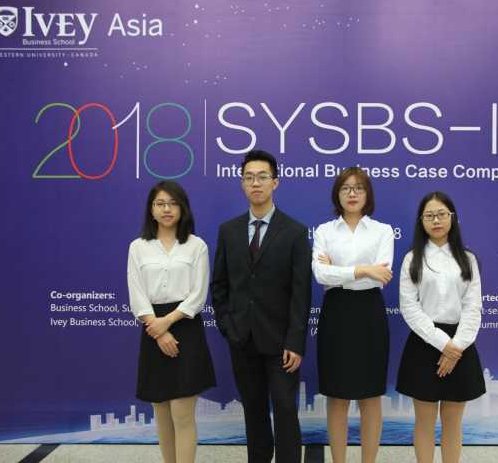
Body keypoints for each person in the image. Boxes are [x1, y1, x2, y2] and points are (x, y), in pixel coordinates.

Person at [210, 150, 312, 463]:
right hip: (242, 339)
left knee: (285, 411)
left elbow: (301, 292)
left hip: (282, 344)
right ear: (242, 184)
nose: (256, 183)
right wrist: (228, 327)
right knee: (253, 412)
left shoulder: (294, 231)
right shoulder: (228, 231)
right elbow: (220, 286)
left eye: (262, 177)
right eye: (249, 178)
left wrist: (295, 341)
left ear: (275, 182)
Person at [127, 180, 216, 463]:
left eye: (173, 203)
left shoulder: (196, 245)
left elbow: (198, 295)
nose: (167, 209)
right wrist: (158, 328)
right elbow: (137, 294)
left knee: (182, 412)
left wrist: (167, 322)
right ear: (151, 210)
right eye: (160, 204)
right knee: (162, 412)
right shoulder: (138, 247)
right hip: (152, 328)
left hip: (185, 327)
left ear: (182, 208)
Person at [396, 191, 485, 463]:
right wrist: (443, 344)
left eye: (441, 214)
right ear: (421, 221)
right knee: (424, 421)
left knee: (453, 422)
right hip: (424, 343)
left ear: (452, 218)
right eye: (429, 216)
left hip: (461, 344)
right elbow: (409, 308)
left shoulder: (468, 259)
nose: (436, 220)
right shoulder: (412, 259)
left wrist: (455, 347)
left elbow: (473, 307)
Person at [312, 167, 394, 463]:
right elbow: (321, 274)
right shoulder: (324, 231)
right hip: (336, 312)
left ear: (367, 194)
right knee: (337, 396)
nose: (352, 193)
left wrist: (340, 270)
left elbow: (381, 275)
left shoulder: (382, 231)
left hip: (369, 312)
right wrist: (362, 269)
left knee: (371, 396)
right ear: (337, 194)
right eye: (346, 188)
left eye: (358, 188)